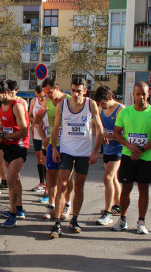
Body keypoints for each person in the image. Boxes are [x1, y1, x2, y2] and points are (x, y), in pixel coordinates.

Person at [49, 78, 103, 238]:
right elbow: (56, 127)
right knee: (62, 184)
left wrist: (96, 151)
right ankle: (57, 222)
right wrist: (53, 149)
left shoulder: (90, 104)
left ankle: (75, 219)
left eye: (79, 91)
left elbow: (99, 129)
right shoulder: (63, 105)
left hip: (84, 153)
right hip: (66, 151)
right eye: (73, 90)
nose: (75, 94)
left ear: (85, 91)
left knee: (79, 187)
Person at [111, 82, 151, 235]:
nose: (141, 97)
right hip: (128, 156)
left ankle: (141, 221)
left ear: (148, 95)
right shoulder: (125, 112)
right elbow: (116, 133)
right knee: (126, 188)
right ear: (133, 95)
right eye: (138, 94)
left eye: (144, 94)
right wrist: (129, 146)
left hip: (145, 157)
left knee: (143, 189)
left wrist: (141, 149)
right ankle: (122, 220)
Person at [0, 80, 30, 227]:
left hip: (19, 146)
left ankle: (12, 215)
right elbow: (6, 126)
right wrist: (0, 133)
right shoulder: (0, 105)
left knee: (11, 180)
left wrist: (6, 136)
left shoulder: (17, 106)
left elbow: (24, 131)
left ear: (6, 93)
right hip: (7, 145)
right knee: (16, 179)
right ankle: (19, 209)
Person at [34, 77, 73, 220]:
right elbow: (37, 121)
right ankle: (51, 205)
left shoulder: (68, 99)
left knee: (66, 177)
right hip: (53, 142)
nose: (48, 96)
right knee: (50, 175)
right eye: (45, 93)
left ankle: (67, 205)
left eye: (50, 92)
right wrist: (43, 136)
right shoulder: (47, 101)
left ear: (57, 88)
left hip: (68, 143)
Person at [94, 86, 124, 225]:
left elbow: (124, 135)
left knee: (107, 178)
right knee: (113, 179)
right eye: (99, 104)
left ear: (110, 98)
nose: (101, 106)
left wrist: (107, 135)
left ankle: (108, 213)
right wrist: (101, 136)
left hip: (118, 149)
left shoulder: (121, 110)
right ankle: (118, 206)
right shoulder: (101, 109)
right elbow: (97, 128)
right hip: (106, 149)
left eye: (103, 103)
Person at [29, 85, 47, 193]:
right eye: (38, 97)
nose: (40, 99)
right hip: (36, 133)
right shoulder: (33, 101)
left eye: (42, 97)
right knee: (39, 157)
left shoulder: (49, 101)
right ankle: (42, 182)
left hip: (46, 133)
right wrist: (35, 121)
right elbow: (30, 115)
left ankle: (48, 186)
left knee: (46, 159)